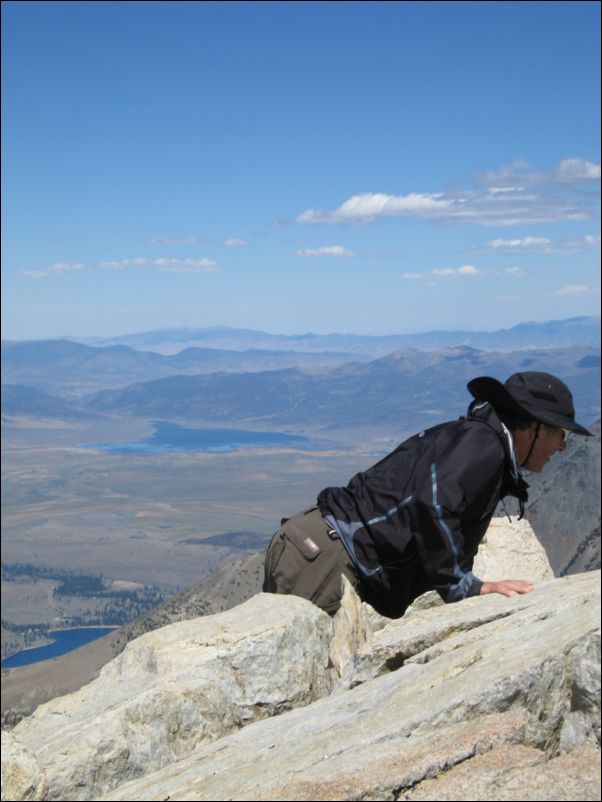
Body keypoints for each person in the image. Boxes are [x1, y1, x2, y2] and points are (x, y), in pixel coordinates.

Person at [263, 371, 591, 619]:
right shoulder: (484, 444)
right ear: (533, 428)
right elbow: (434, 503)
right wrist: (463, 586)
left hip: (325, 551)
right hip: (327, 557)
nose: (563, 447)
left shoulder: (480, 441)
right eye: (560, 434)